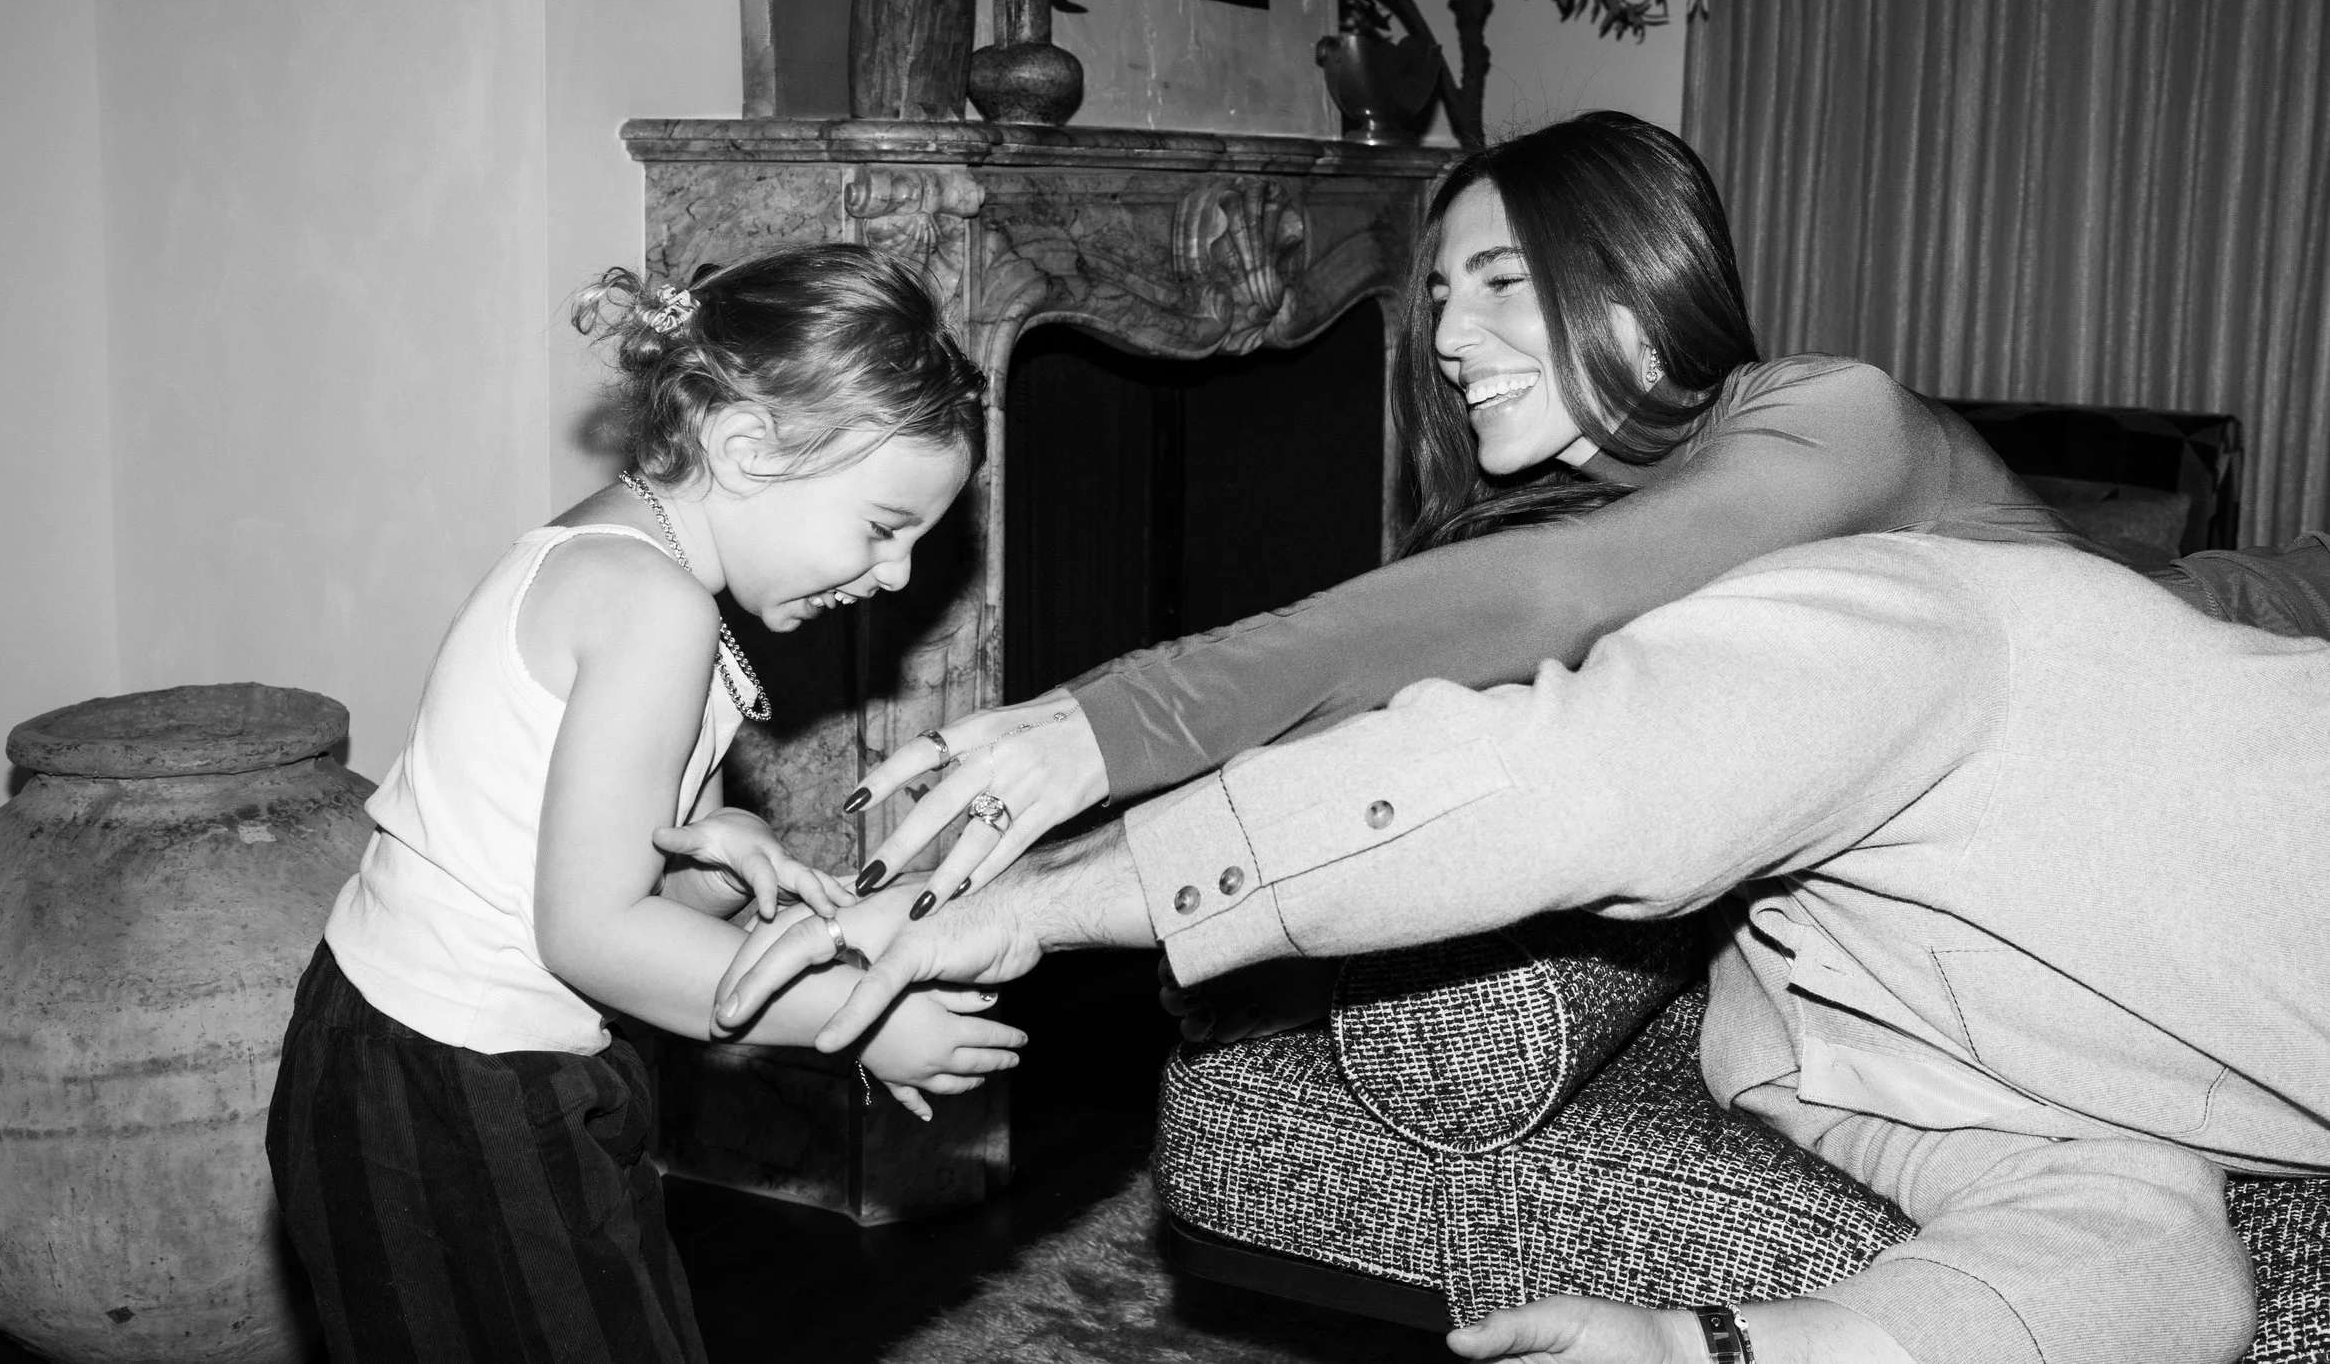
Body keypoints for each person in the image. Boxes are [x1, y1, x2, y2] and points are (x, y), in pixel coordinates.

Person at [717, 529, 2330, 1364]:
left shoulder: (1919, 622)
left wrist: (1023, 904)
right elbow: (2142, 1256)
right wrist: (1729, 1350)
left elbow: (1560, 782)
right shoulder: (1785, 1036)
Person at [841, 110, 2104, 924]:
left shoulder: (1840, 414)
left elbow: (1564, 589)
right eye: (1439, 292)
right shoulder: (1557, 511)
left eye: (1504, 282)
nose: (1445, 336)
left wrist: (1099, 725)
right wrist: (1027, 881)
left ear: (1639, 284)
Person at [265, 248, 1026, 1364]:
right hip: (454, 1074)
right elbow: (592, 932)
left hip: (418, 1047)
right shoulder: (649, 603)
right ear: (745, 446)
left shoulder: (638, 572)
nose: (901, 576)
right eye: (882, 525)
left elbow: (646, 885)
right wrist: (856, 1013)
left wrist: (725, 855)